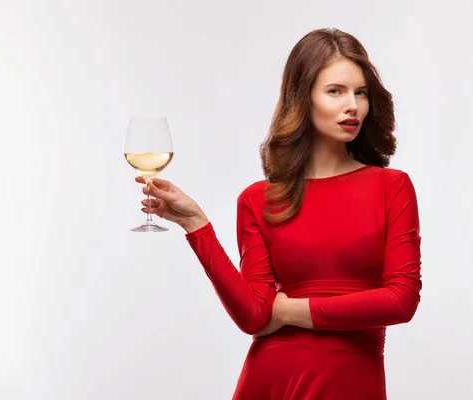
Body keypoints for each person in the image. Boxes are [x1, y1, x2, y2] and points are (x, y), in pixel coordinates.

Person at [136, 27, 422, 400]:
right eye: (335, 91)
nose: (353, 104)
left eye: (361, 92)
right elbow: (254, 317)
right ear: (302, 98)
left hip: (351, 382)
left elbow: (401, 300)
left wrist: (288, 311)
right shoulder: (259, 199)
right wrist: (196, 224)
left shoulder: (392, 187)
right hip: (270, 380)